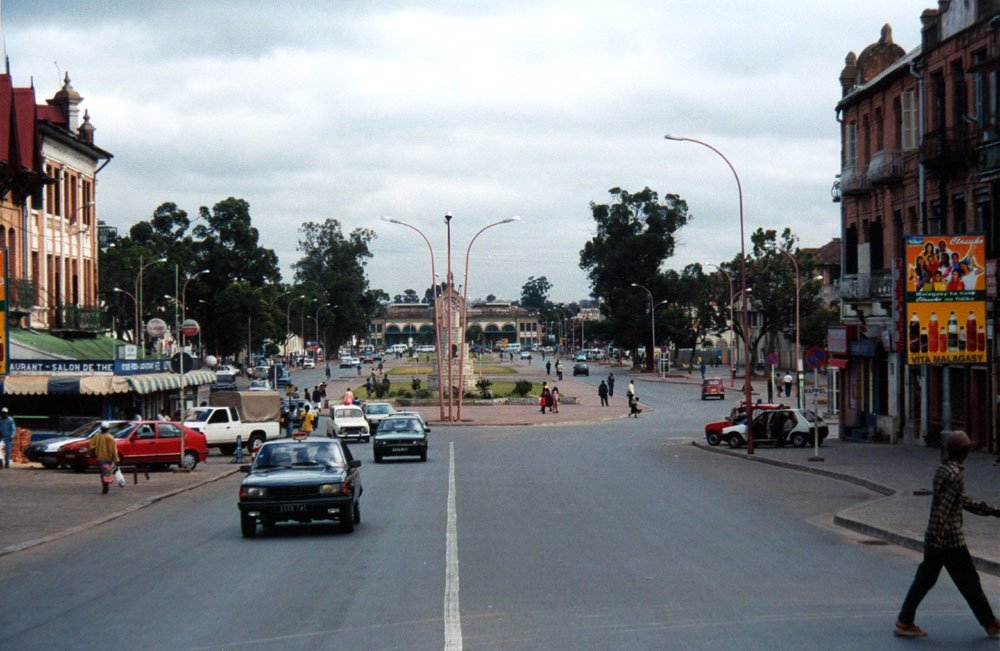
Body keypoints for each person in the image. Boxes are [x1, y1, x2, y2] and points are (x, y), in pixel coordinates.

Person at [894, 430, 1000, 639]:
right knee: (969, 581)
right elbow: (944, 508)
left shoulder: (944, 470)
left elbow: (961, 501)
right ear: (965, 452)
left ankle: (904, 620)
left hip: (937, 538)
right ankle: (990, 623)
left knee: (925, 580)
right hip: (949, 541)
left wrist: (991, 510)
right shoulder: (954, 475)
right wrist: (938, 540)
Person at [91, 424, 120, 494]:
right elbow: (114, 450)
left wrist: (93, 453)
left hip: (100, 458)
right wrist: (116, 460)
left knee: (103, 472)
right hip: (109, 459)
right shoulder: (111, 437)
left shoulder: (96, 437)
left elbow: (91, 447)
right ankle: (106, 485)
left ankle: (105, 485)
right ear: (108, 429)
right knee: (107, 472)